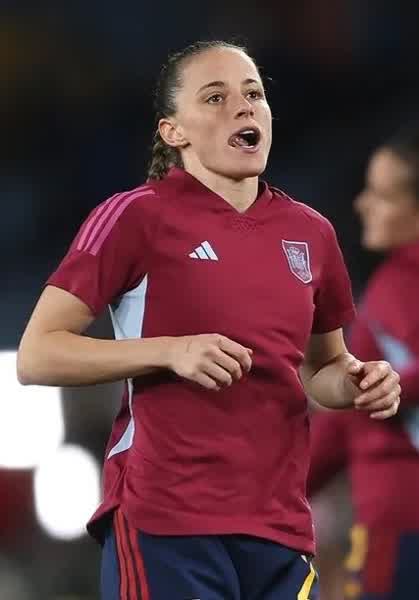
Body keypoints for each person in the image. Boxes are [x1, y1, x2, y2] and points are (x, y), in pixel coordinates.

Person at [17, 40, 401, 600]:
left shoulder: (312, 232)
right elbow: (37, 354)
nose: (244, 107)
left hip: (281, 530)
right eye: (215, 97)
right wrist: (171, 350)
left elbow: (324, 368)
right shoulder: (135, 215)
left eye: (254, 94)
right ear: (173, 131)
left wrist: (360, 381)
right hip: (166, 522)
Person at [308, 126, 419, 600]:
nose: (362, 204)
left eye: (382, 195)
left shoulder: (399, 286)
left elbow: (354, 410)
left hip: (400, 520)